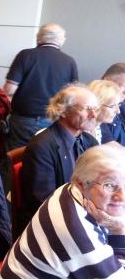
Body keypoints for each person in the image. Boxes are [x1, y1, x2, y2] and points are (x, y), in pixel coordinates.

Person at [0, 143, 125, 279]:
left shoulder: (71, 189)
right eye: (109, 185)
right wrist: (119, 230)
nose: (122, 196)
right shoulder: (80, 234)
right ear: (82, 183)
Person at [15, 85, 99, 236]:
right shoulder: (42, 147)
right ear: (63, 110)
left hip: (81, 215)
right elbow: (42, 202)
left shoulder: (89, 142)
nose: (93, 114)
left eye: (95, 108)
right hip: (49, 228)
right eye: (86, 108)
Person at [4, 23, 78, 150]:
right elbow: (73, 95)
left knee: (15, 155)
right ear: (61, 40)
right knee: (41, 155)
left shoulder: (25, 55)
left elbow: (10, 89)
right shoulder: (69, 61)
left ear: (39, 37)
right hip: (53, 120)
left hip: (24, 119)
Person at [87, 80, 122, 144]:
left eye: (118, 105)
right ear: (97, 105)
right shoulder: (79, 132)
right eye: (112, 106)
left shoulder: (101, 125)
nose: (118, 111)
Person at [101, 63, 125, 146]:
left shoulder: (122, 106)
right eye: (122, 86)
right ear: (107, 81)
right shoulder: (95, 109)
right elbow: (110, 145)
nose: (117, 111)